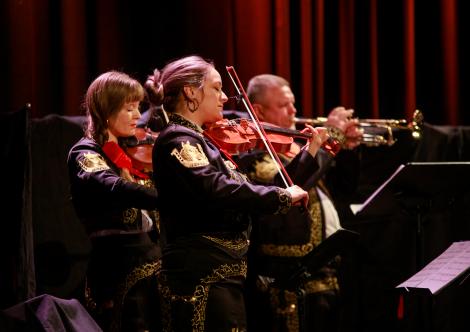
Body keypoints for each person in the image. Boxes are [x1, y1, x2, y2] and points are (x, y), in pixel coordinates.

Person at [144, 55, 325, 332]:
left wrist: (294, 173)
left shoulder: (203, 141)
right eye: (217, 88)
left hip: (223, 275)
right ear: (190, 92)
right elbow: (216, 187)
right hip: (202, 276)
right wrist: (281, 197)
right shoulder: (178, 138)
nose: (226, 98)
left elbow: (244, 190)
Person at [236, 74, 362, 332]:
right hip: (286, 278)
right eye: (284, 105)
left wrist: (346, 149)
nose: (294, 110)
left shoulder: (296, 147)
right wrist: (329, 140)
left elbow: (345, 190)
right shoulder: (252, 155)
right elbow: (288, 182)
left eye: (293, 103)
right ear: (258, 110)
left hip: (326, 272)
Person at [67, 71, 161, 332]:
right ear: (106, 111)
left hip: (153, 260)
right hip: (117, 266)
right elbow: (113, 186)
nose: (136, 116)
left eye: (138, 107)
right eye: (129, 108)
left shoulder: (131, 150)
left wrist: (159, 104)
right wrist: (165, 198)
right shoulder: (85, 152)